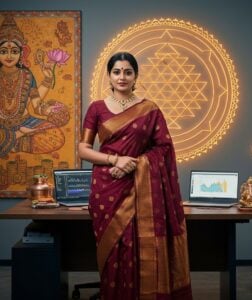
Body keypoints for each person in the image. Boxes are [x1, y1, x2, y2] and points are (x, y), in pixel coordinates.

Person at [79, 52, 193, 299]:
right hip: (106, 187)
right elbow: (83, 149)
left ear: (136, 75)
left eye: (128, 72)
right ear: (109, 75)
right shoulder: (97, 108)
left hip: (141, 189)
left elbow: (163, 148)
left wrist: (136, 163)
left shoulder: (150, 109)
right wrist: (114, 160)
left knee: (138, 247)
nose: (122, 77)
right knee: (111, 252)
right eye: (117, 71)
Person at [0, 15, 68, 158]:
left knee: (56, 136)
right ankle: (17, 137)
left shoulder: (26, 75)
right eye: (3, 51)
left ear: (21, 53)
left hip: (25, 121)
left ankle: (10, 142)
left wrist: (49, 109)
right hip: (3, 126)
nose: (9, 56)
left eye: (14, 51)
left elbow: (36, 105)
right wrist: (20, 132)